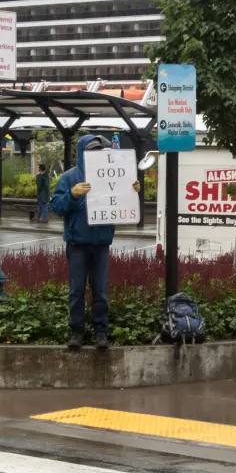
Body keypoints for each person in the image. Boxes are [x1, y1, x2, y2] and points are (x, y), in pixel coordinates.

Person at [51, 135, 139, 351]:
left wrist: (132, 190)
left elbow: (123, 203)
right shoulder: (69, 177)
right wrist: (71, 194)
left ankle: (101, 332)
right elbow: (56, 207)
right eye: (92, 150)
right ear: (82, 152)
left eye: (99, 150)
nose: (96, 153)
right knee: (76, 290)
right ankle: (77, 331)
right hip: (77, 243)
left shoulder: (115, 174)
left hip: (101, 242)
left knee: (101, 291)